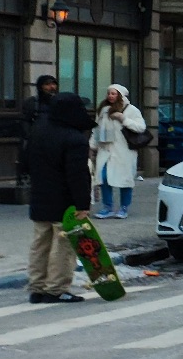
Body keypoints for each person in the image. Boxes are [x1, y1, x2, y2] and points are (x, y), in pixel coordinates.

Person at [27, 92, 95, 303]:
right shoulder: (75, 139)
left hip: (39, 195)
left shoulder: (38, 130)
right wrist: (82, 204)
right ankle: (56, 289)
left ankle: (37, 287)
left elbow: (27, 161)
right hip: (65, 201)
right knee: (63, 245)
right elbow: (77, 176)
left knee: (41, 243)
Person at [90, 84, 147, 219]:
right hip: (105, 150)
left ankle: (124, 207)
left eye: (114, 93)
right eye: (109, 93)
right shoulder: (103, 110)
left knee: (124, 180)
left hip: (124, 152)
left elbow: (141, 127)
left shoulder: (131, 110)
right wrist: (92, 145)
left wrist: (123, 119)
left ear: (120, 95)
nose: (110, 96)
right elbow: (96, 129)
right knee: (103, 178)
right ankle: (107, 207)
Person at [16, 74, 59, 185]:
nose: (52, 87)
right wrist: (31, 136)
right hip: (37, 144)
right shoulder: (32, 103)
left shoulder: (60, 102)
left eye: (53, 84)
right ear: (40, 87)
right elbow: (24, 121)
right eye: (47, 84)